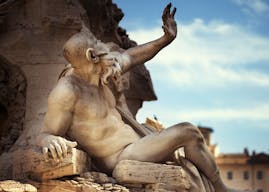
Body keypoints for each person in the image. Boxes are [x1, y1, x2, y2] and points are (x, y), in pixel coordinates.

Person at [37, 3, 237, 192]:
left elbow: (131, 56)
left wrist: (165, 39)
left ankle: (217, 186)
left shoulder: (99, 71)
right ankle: (221, 188)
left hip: (138, 143)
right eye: (96, 42)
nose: (102, 44)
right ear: (91, 55)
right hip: (120, 157)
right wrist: (48, 140)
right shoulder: (67, 91)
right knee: (188, 131)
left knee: (186, 141)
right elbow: (47, 132)